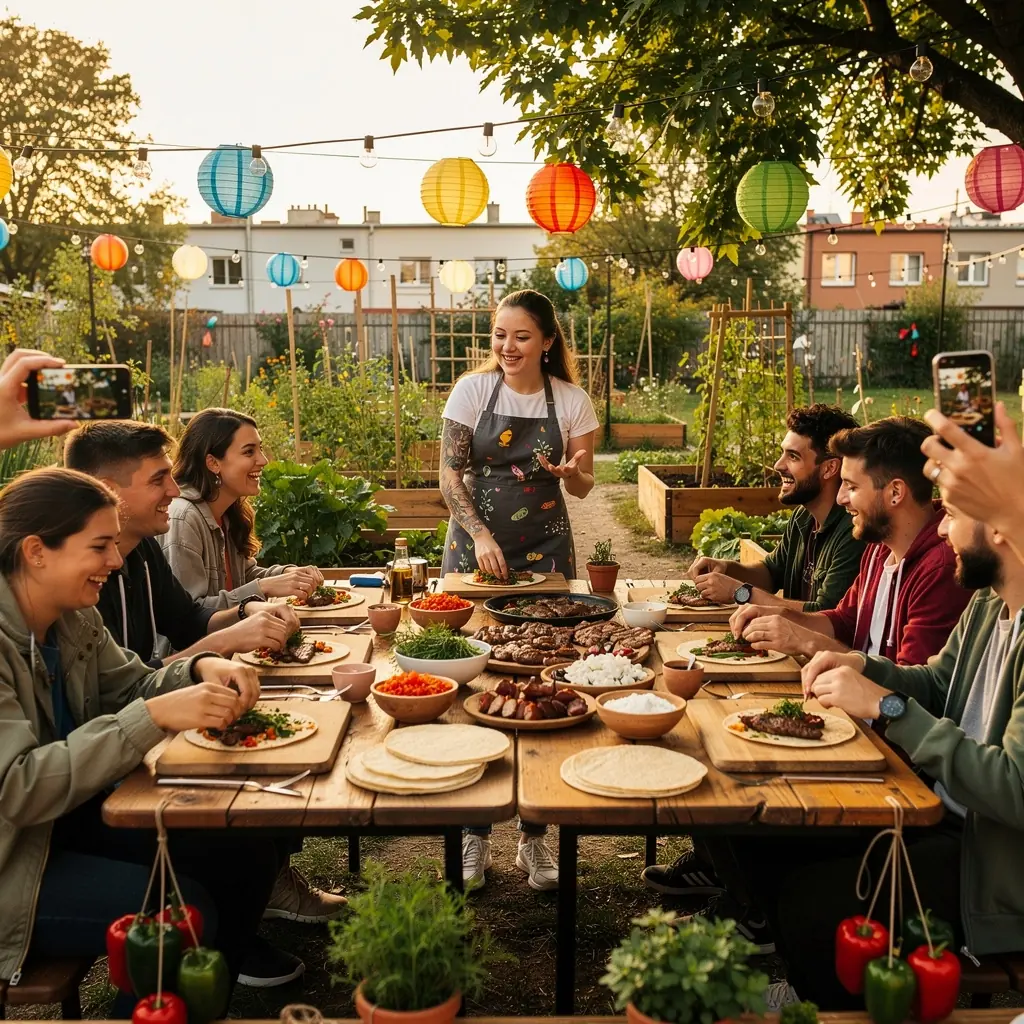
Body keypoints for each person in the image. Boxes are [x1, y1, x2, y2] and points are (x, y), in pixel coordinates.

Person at [725, 493, 1024, 1010]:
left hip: (993, 870)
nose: (942, 528)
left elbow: (1013, 789)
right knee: (761, 836)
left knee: (811, 903)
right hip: (937, 811)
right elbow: (935, 680)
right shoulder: (989, 602)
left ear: (998, 527)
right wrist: (863, 667)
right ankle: (813, 985)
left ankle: (830, 1002)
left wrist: (889, 708)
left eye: (951, 513)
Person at [0, 467, 280, 1005]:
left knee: (245, 853)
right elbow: (18, 786)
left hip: (69, 824)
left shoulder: (72, 620)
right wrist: (155, 713)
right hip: (17, 865)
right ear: (36, 551)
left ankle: (207, 998)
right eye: (100, 546)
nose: (115, 560)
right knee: (181, 915)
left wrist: (199, 669)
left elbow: (134, 685)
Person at [439, 289, 599, 891]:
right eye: (500, 335)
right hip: (475, 549)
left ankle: (535, 839)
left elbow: (583, 487)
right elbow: (449, 471)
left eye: (522, 336)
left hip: (546, 550)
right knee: (481, 679)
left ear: (548, 342)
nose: (507, 347)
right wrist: (478, 532)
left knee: (542, 678)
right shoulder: (472, 392)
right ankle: (476, 836)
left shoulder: (573, 401)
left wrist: (572, 472)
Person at [730, 417, 970, 665]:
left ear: (895, 493)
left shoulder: (940, 570)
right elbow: (844, 620)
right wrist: (779, 616)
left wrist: (807, 641)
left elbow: (909, 687)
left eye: (851, 487)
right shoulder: (879, 549)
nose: (840, 498)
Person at [65, 421, 303, 666]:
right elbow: (123, 690)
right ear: (107, 491)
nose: (175, 491)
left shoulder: (143, 547)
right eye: (158, 480)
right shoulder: (81, 578)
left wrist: (246, 610)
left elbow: (188, 621)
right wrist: (227, 640)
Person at [688, 404, 863, 611]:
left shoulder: (853, 531)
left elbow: (825, 615)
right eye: (783, 453)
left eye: (793, 456)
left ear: (829, 468)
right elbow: (771, 573)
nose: (778, 465)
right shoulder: (803, 517)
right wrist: (726, 569)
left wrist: (739, 593)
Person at [159, 408, 323, 610]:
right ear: (213, 462)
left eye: (260, 449)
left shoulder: (227, 512)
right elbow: (191, 613)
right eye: (249, 451)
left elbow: (243, 578)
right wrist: (264, 587)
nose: (263, 460)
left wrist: (288, 574)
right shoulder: (184, 518)